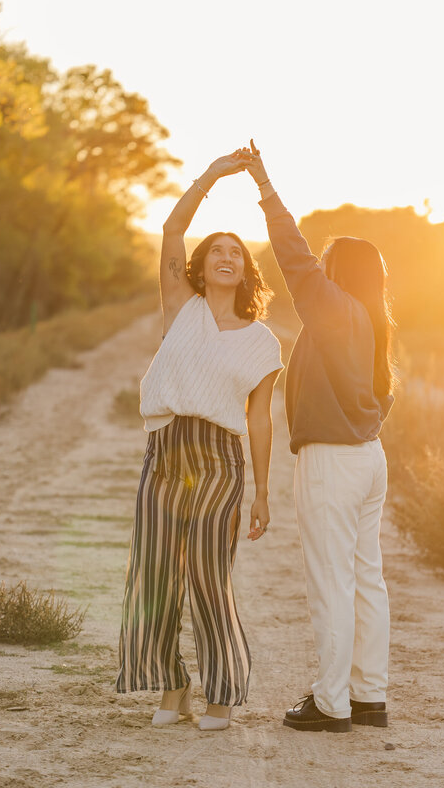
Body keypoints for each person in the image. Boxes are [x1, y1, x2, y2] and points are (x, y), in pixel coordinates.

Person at [114, 149, 283, 732]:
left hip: (218, 462)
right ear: (201, 265)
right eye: (218, 251)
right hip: (164, 455)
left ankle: (221, 694)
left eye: (237, 253)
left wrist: (260, 493)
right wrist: (212, 175)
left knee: (210, 579)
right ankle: (173, 688)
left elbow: (259, 420)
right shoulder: (180, 308)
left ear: (247, 271)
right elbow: (171, 227)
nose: (227, 257)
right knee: (156, 575)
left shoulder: (262, 342)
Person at [244, 146, 395, 733]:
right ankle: (369, 697)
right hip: (367, 458)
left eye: (329, 261)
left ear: (340, 272)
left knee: (331, 579)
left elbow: (293, 256)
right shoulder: (373, 320)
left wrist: (264, 186)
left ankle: (331, 704)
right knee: (365, 577)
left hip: (334, 461)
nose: (319, 267)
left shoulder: (334, 308)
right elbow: (385, 397)